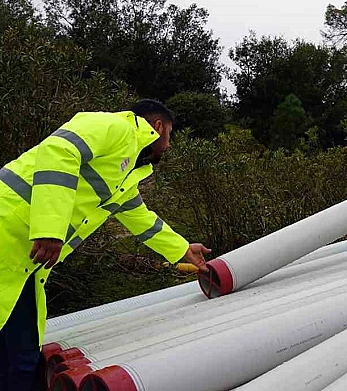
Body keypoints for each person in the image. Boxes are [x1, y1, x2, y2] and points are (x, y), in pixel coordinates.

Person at [0, 100, 212, 391]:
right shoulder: (113, 126)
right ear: (158, 126)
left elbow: (142, 219)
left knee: (21, 355)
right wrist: (50, 228)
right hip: (7, 233)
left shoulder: (124, 176)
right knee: (19, 354)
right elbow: (59, 150)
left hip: (24, 259)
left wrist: (184, 249)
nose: (169, 145)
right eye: (170, 135)